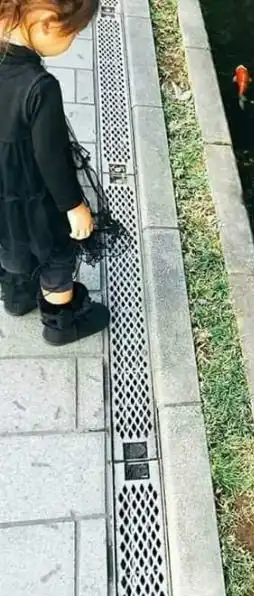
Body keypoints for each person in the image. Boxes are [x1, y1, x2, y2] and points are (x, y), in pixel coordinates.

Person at [0, 0, 129, 345]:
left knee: (8, 241)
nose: (71, 42)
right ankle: (61, 324)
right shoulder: (39, 87)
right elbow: (52, 158)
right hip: (30, 192)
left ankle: (16, 298)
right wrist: (74, 207)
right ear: (46, 22)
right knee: (54, 250)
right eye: (71, 33)